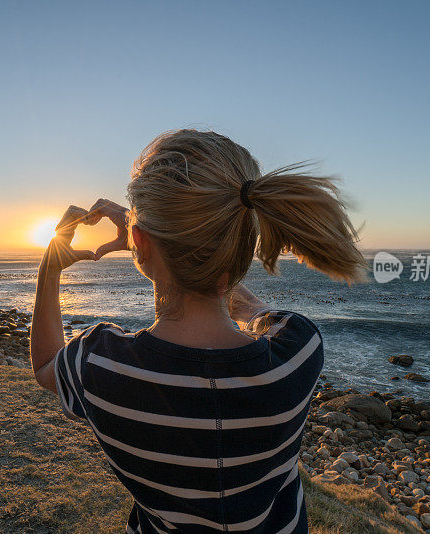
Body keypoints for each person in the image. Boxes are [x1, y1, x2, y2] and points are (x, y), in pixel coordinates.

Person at [30, 129, 366, 533]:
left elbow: (46, 362)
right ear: (245, 243)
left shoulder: (99, 365)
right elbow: (255, 310)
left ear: (138, 241)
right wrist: (156, 240)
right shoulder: (298, 351)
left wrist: (50, 267)